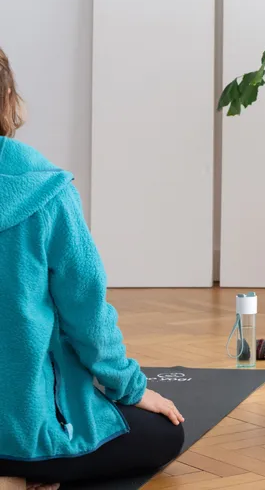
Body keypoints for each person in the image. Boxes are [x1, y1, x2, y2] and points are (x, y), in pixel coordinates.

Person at [0, 47, 185, 489]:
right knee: (165, 434)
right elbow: (88, 317)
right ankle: (24, 470)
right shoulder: (44, 189)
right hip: (22, 425)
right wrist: (134, 389)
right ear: (7, 94)